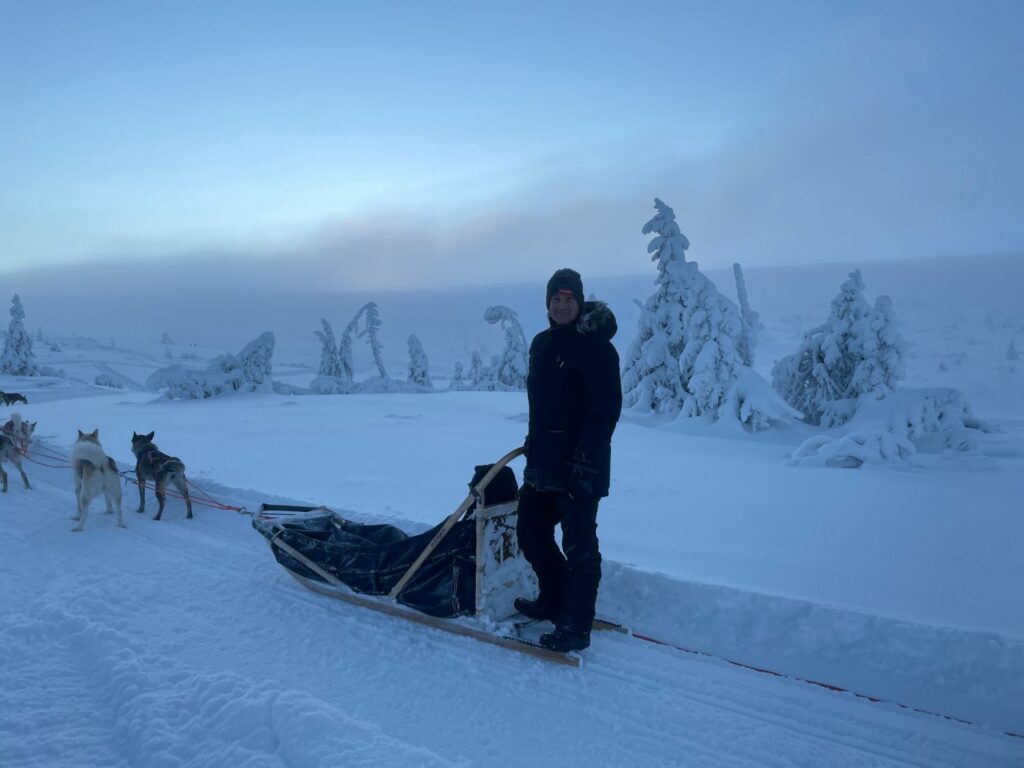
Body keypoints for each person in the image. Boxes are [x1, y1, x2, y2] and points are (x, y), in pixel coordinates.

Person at [515, 268, 622, 652]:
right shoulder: (542, 343)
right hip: (543, 462)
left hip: (581, 466)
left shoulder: (596, 347)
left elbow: (604, 412)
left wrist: (585, 463)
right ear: (548, 304)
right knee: (530, 532)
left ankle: (576, 626)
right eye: (556, 299)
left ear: (579, 303)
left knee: (579, 547)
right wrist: (533, 442)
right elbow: (542, 407)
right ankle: (555, 599)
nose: (562, 305)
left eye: (569, 299)